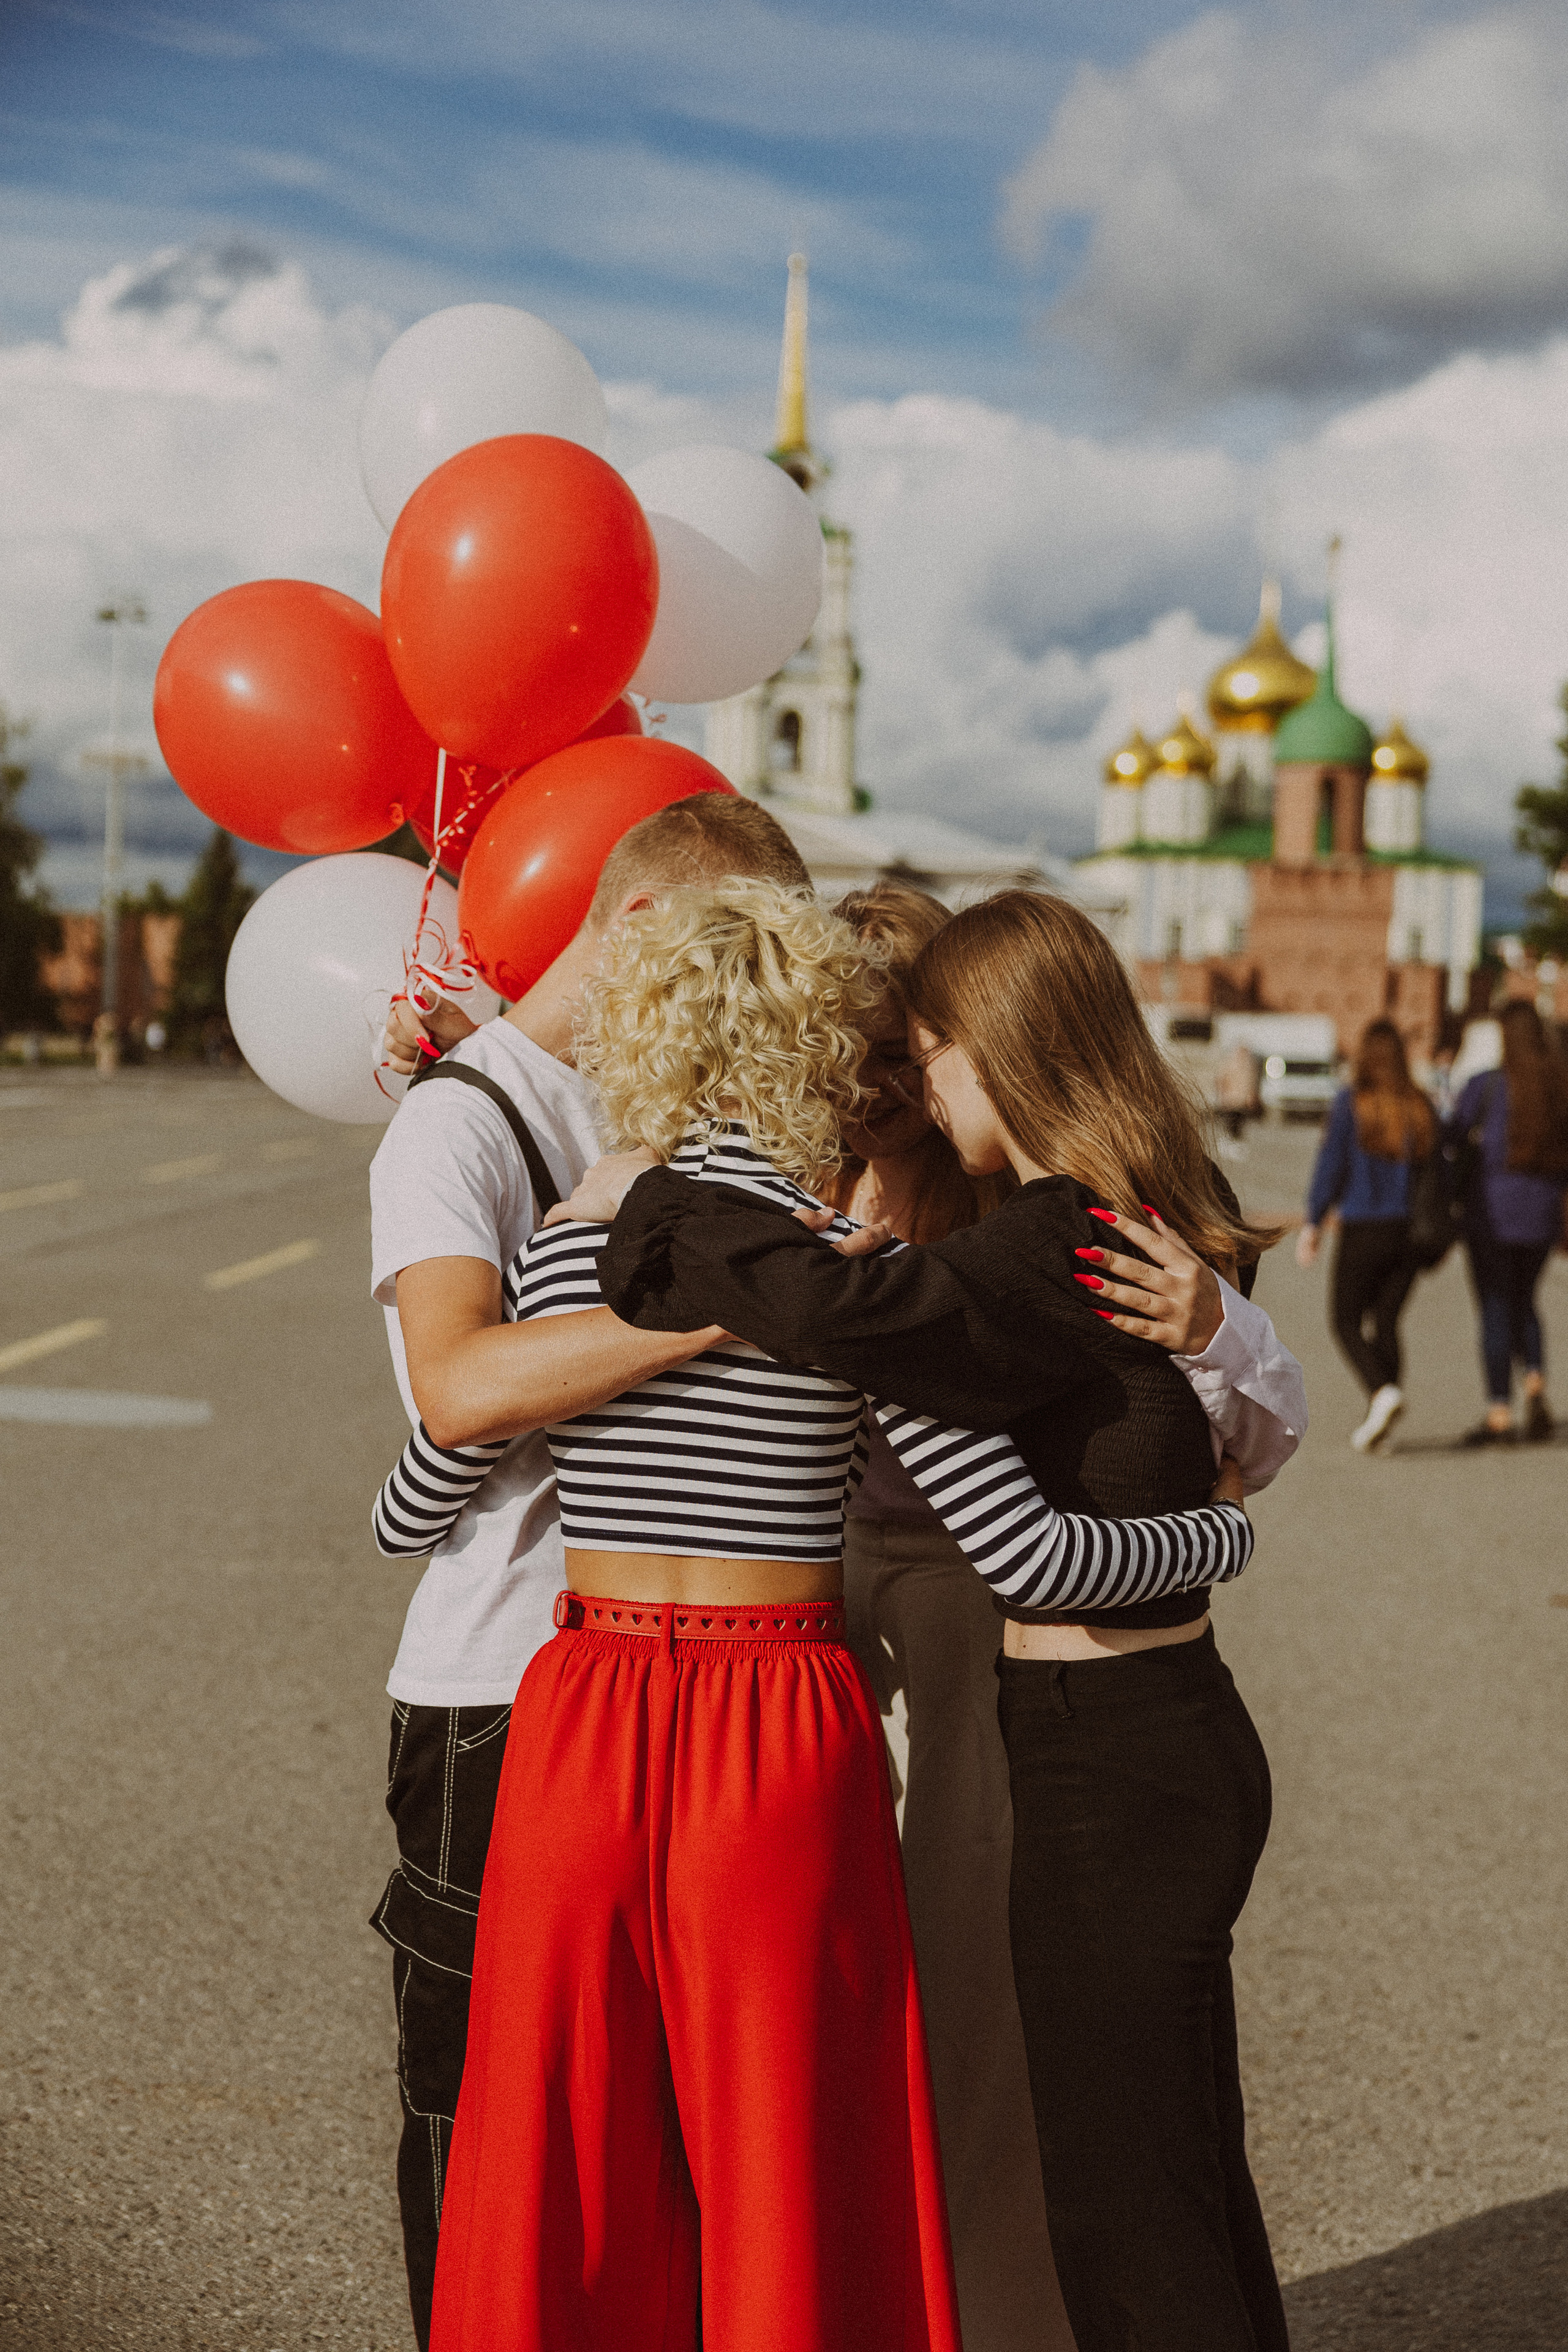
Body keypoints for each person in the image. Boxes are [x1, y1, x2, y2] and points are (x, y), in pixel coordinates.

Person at [422, 880, 1256, 2352]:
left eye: (928, 1052)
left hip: (586, 1710)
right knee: (784, 2146)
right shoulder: (862, 1274)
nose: (905, 1086)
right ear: (811, 1045)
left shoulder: (576, 1252)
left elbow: (412, 1501)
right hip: (773, 1714)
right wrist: (1223, 1531)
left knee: (575, 2133)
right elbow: (1015, 1539)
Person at [814, 883, 1302, 2352]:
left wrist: (661, 1214)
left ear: (989, 1051)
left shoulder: (1039, 1242)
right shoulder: (1089, 1220)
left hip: (1091, 1731)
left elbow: (859, 1336)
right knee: (1168, 2167)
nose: (909, 1081)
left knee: (1118, 2191)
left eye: (925, 1049)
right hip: (1142, 1721)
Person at [365, 792, 813, 2350]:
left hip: (640, 1690)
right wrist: (735, 1306)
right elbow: (456, 1389)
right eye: (735, 954)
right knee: (488, 2128)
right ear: (640, 934)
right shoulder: (461, 1121)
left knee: (644, 2146)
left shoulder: (643, 1108)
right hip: (500, 1685)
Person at [1296, 1018, 1435, 1454]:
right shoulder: (1420, 1106)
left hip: (1364, 1228)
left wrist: (1313, 1223)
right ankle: (1382, 1419)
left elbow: (1332, 1166)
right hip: (1409, 1233)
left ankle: (1381, 1392)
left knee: (1344, 1320)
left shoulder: (1351, 1104)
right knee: (1388, 1319)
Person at [1449, 998, 1568, 1446]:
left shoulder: (1486, 1087)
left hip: (1491, 1216)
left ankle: (1500, 1410)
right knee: (1527, 1299)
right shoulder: (1559, 1089)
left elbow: (1453, 1139)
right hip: (1542, 1217)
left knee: (1496, 1306)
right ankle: (1535, 1380)